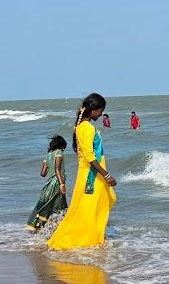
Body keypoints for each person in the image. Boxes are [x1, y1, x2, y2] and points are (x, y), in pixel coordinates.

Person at [48, 94, 116, 250]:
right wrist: (106, 175)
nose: (101, 114)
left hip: (90, 172)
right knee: (88, 206)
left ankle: (96, 236)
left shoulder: (81, 127)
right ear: (93, 110)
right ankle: (86, 238)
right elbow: (89, 156)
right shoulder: (87, 128)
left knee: (102, 201)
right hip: (92, 175)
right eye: (100, 111)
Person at [26, 135, 69, 232]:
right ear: (62, 146)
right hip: (56, 183)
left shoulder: (48, 155)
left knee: (50, 207)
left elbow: (43, 173)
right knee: (60, 208)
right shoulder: (59, 153)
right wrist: (62, 184)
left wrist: (48, 164)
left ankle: (44, 229)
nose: (64, 150)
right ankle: (59, 230)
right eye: (64, 147)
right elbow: (57, 169)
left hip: (48, 185)